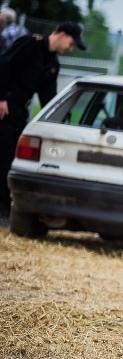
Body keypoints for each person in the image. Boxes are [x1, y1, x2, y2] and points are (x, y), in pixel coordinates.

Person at [0, 22, 86, 225]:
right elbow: (4, 65)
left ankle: (4, 208)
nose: (70, 49)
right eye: (71, 43)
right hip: (4, 107)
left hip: (19, 111)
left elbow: (49, 98)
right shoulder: (31, 44)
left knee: (9, 159)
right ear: (62, 35)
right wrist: (1, 98)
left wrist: (59, 122)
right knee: (2, 158)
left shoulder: (52, 64)